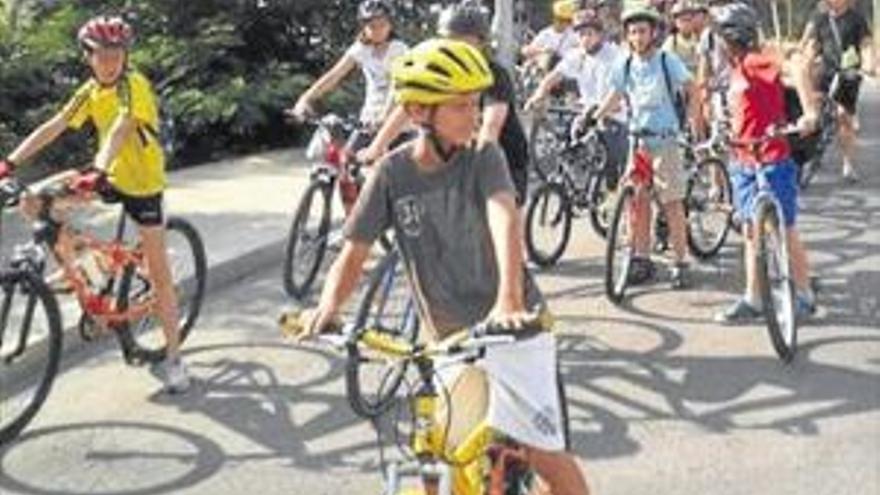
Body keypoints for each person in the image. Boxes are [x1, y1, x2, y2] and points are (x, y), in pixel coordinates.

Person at [293, 38, 591, 495]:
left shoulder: (483, 157)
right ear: (417, 112)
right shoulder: (392, 174)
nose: (473, 116)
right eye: (459, 106)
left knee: (544, 453)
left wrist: (508, 297)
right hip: (448, 340)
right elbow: (353, 252)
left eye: (475, 103)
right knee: (441, 460)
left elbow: (503, 215)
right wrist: (329, 307)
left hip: (514, 329)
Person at [0, 16, 190, 393]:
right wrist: (10, 162)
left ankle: (175, 359)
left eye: (116, 53)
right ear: (88, 56)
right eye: (102, 54)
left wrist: (99, 168)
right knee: (33, 201)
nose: (110, 61)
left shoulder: (133, 85)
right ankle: (86, 268)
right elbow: (54, 125)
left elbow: (122, 127)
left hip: (142, 185)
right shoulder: (89, 91)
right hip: (107, 176)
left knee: (161, 276)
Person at [357, 3, 530, 206]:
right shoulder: (438, 70)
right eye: (447, 40)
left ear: (481, 42)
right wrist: (376, 148)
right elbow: (406, 108)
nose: (451, 47)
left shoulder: (494, 75)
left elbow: (491, 126)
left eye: (460, 41)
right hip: (456, 156)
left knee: (502, 227)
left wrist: (481, 162)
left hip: (505, 159)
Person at [711, 2, 818, 322]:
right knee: (749, 231)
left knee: (783, 228)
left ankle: (803, 294)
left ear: (733, 36)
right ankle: (753, 298)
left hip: (772, 157)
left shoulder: (757, 61)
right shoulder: (735, 67)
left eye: (720, 36)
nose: (716, 42)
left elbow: (796, 68)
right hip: (743, 158)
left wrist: (809, 111)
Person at [585, 5, 701, 289]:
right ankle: (641, 258)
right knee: (638, 201)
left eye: (643, 31)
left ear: (653, 33)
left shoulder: (666, 60)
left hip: (665, 140)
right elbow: (615, 95)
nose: (637, 37)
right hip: (637, 142)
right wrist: (594, 117)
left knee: (672, 203)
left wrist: (692, 123)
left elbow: (692, 87)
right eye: (633, 32)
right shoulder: (625, 64)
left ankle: (681, 261)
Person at [524, 11, 628, 182]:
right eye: (581, 34)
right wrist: (538, 95)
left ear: (600, 35)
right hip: (586, 115)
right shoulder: (577, 55)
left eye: (589, 34)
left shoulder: (615, 56)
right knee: (566, 149)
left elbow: (618, 92)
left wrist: (600, 112)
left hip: (612, 117)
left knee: (612, 173)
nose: (585, 39)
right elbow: (555, 75)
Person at [800, 0, 874, 182]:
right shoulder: (820, 19)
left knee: (843, 117)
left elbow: (866, 44)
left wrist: (869, 63)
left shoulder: (857, 19)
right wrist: (806, 65)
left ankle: (848, 165)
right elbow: (813, 46)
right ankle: (805, 157)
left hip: (848, 73)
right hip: (825, 71)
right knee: (813, 113)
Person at [521, 0, 580, 67]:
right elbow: (525, 51)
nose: (562, 23)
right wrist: (543, 50)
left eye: (566, 20)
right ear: (554, 18)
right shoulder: (545, 34)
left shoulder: (573, 37)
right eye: (559, 19)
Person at [662, 0, 706, 72]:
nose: (686, 24)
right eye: (683, 20)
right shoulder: (672, 42)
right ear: (676, 23)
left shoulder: (700, 39)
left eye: (689, 20)